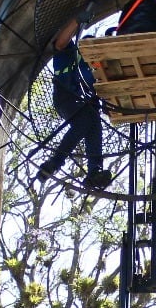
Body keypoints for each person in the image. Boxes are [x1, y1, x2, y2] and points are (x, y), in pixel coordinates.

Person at [36, 17, 114, 191]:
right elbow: (60, 43)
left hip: (86, 106)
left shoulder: (96, 69)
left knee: (94, 124)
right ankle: (54, 163)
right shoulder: (70, 53)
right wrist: (77, 21)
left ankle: (95, 171)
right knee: (86, 120)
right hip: (67, 97)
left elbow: (107, 97)